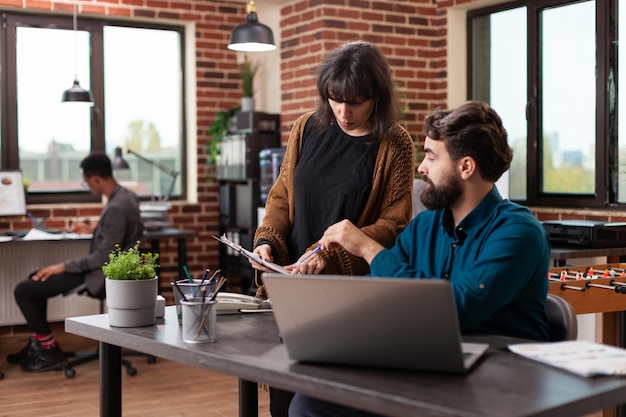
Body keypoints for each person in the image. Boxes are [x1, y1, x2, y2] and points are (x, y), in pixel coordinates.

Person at [288, 100, 551, 417]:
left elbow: (457, 308)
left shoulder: (518, 232)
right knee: (310, 403)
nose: (421, 167)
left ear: (465, 167)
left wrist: (370, 248)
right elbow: (379, 290)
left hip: (500, 385)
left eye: (430, 156)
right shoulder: (425, 225)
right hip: (429, 367)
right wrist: (320, 311)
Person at [251, 40, 415, 417]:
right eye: (335, 99)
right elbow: (280, 197)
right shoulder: (306, 128)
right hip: (290, 288)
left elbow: (394, 225)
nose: (344, 111)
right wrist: (266, 243)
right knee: (283, 401)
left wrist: (332, 258)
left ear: (377, 95)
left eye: (356, 101)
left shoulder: (395, 143)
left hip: (346, 296)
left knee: (328, 401)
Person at [7, 152, 144, 373]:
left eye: (87, 181)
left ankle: (48, 350)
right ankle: (40, 343)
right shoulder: (126, 197)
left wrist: (60, 266)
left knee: (25, 289)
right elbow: (118, 238)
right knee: (35, 276)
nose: (88, 185)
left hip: (99, 274)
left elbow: (103, 257)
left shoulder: (117, 206)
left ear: (96, 179)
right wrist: (95, 230)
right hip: (104, 269)